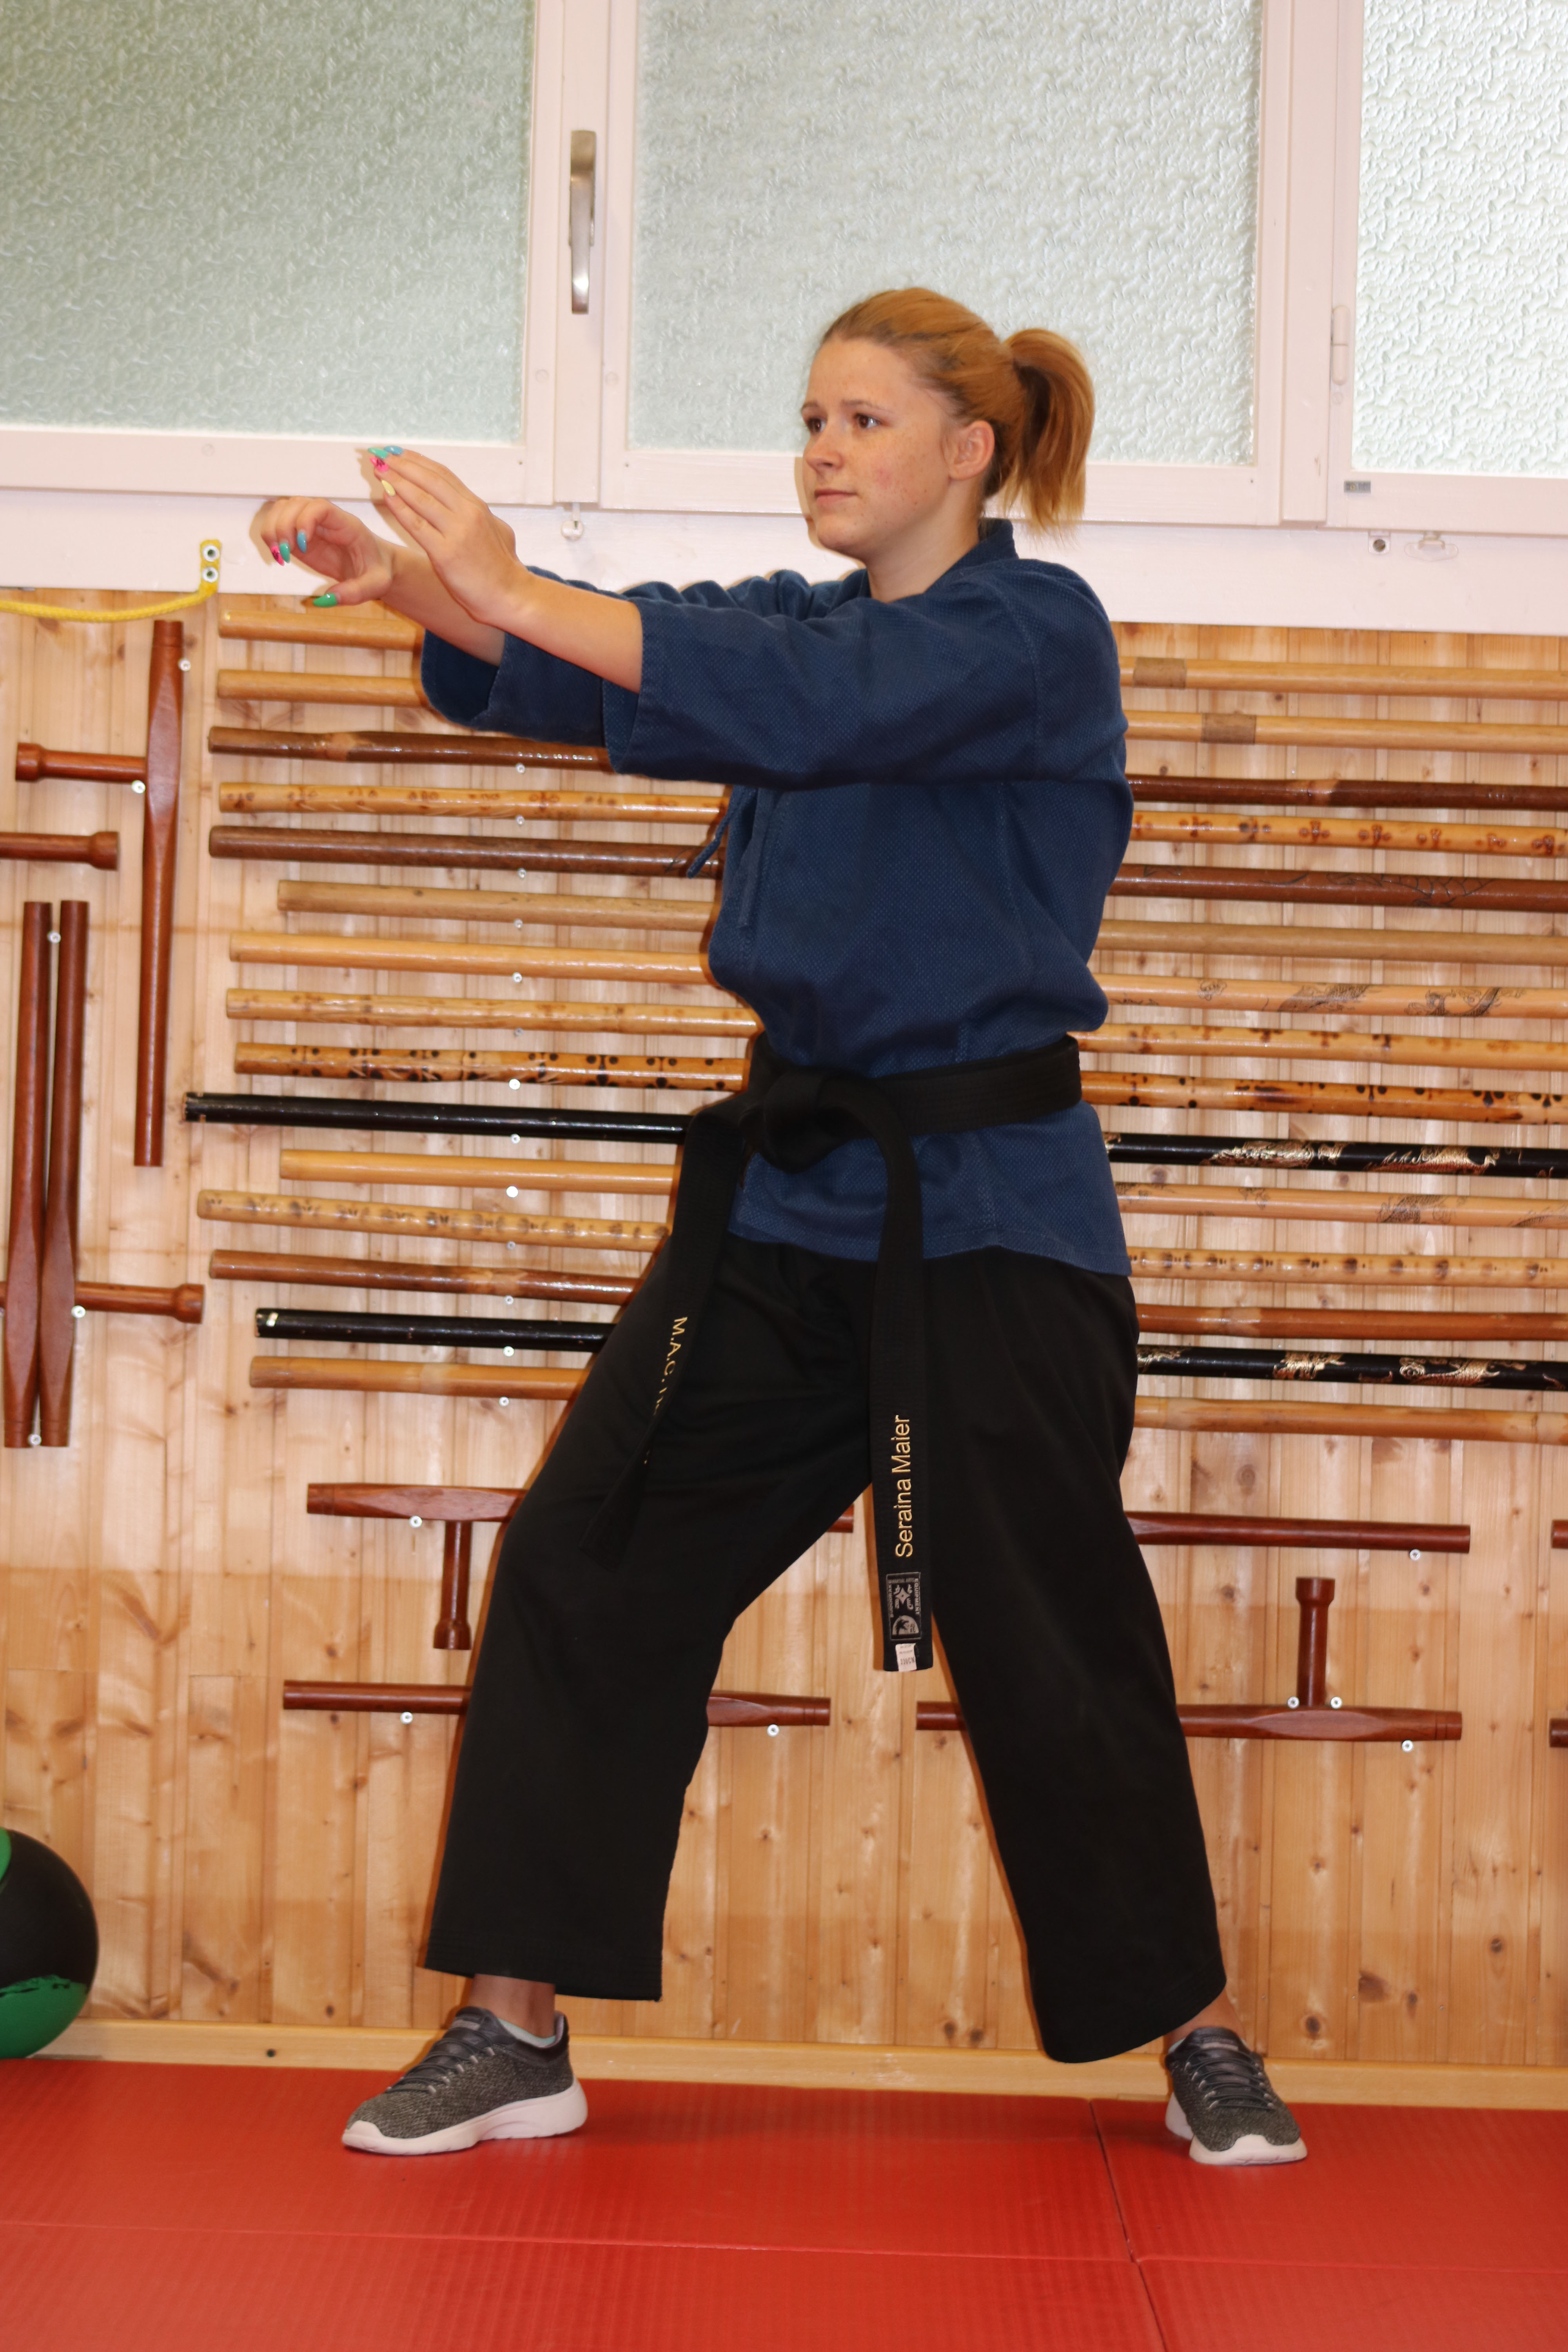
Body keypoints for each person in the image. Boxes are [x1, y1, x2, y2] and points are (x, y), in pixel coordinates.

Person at [258, 287, 1305, 2169]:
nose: (821, 450)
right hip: (789, 1205)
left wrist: (510, 573)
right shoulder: (792, 625)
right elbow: (589, 674)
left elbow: (814, 709)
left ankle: (1199, 2034)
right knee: (591, 1558)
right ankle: (515, 2025)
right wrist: (402, 582)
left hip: (991, 1211)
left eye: (863, 421)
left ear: (969, 452)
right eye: (811, 418)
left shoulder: (1031, 636)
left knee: (1050, 1629)